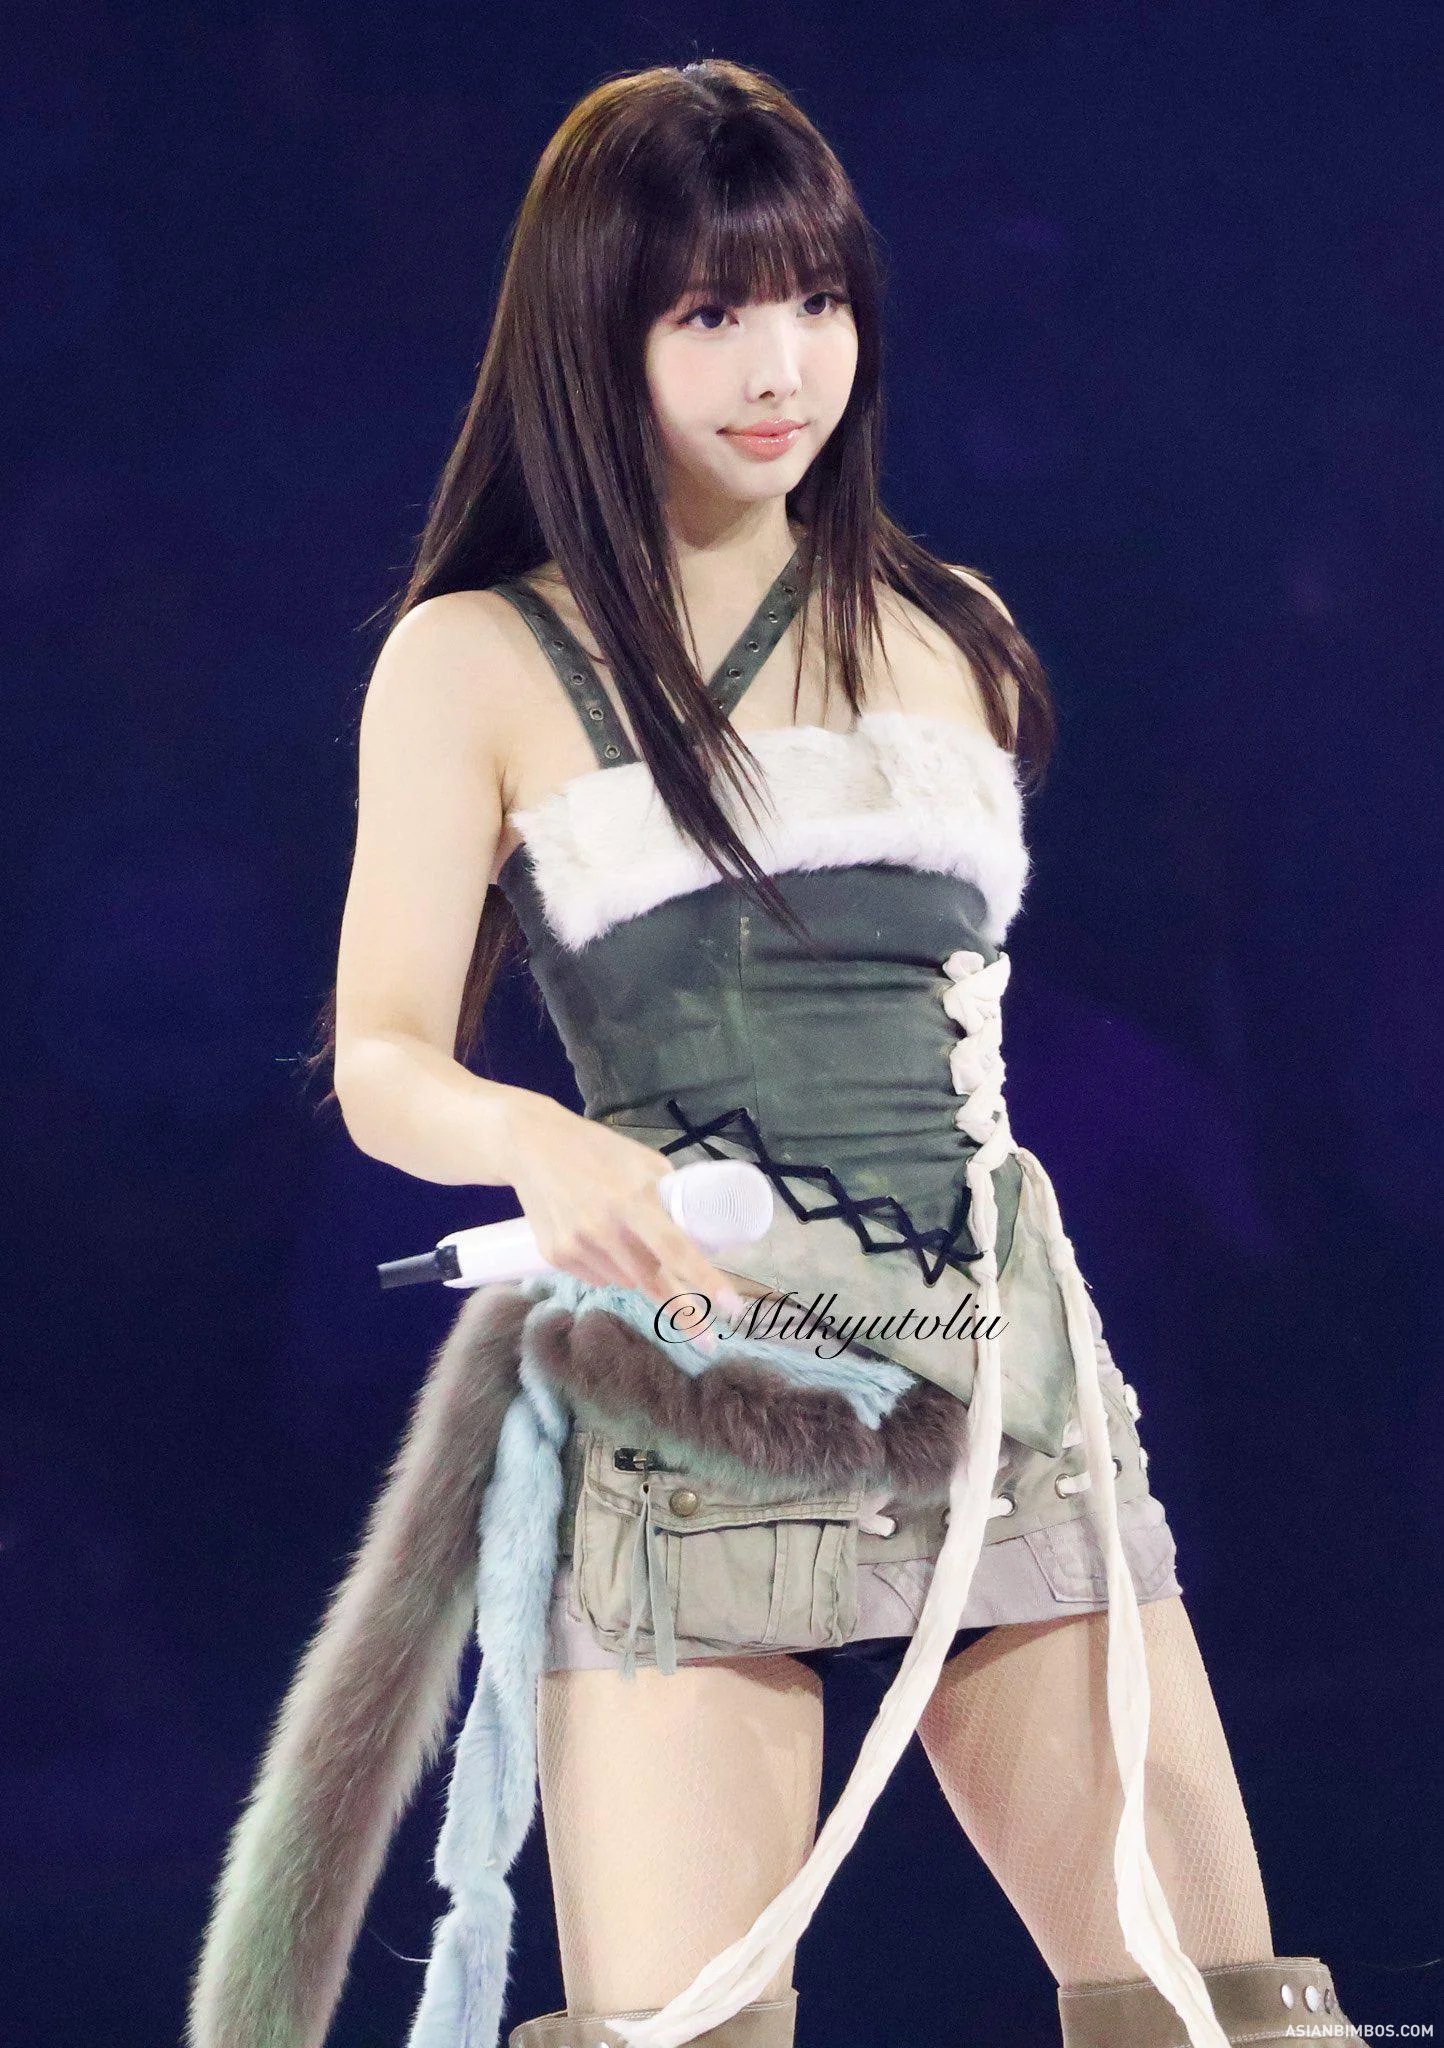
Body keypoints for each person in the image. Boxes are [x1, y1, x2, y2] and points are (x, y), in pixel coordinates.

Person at [185, 57, 1362, 2048]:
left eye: (816, 300)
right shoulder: (477, 657)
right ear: (598, 332)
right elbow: (380, 1059)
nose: (780, 363)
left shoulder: (951, 630)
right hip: (692, 1385)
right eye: (712, 310)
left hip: (989, 1371)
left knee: (1220, 2016)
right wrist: (545, 1145)